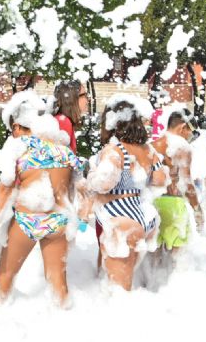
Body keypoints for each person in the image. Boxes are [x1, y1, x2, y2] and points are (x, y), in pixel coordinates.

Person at [0, 90, 85, 307]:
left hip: (27, 220)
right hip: (59, 221)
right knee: (57, 282)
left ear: (17, 127)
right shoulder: (64, 151)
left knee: (5, 275)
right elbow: (79, 187)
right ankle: (65, 323)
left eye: (13, 129)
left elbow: (4, 191)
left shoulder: (19, 151)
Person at [80, 96, 167, 291]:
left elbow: (103, 183)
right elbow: (160, 180)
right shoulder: (148, 150)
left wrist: (89, 173)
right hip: (144, 216)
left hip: (121, 219)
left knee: (118, 289)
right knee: (128, 275)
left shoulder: (115, 150)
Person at [151, 108, 203, 251]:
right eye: (191, 133)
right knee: (177, 258)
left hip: (154, 203)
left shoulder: (152, 145)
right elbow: (186, 183)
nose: (190, 138)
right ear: (183, 127)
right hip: (174, 204)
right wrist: (197, 208)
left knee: (154, 255)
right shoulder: (182, 146)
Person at [53, 80, 88, 153]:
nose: (88, 99)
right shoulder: (63, 121)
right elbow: (61, 160)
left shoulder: (62, 120)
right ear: (72, 98)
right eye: (84, 95)